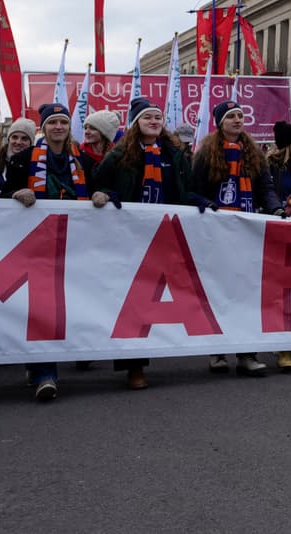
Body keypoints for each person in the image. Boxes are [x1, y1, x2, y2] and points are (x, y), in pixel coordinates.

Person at [91, 98, 197, 390]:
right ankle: (134, 366)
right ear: (136, 123)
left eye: (157, 117)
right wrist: (107, 194)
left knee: (165, 294)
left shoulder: (174, 154)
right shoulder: (120, 154)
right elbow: (98, 183)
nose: (154, 121)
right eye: (147, 117)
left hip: (165, 233)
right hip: (130, 235)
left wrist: (200, 202)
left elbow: (185, 190)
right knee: (133, 298)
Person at [0, 102, 98, 400]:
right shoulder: (23, 159)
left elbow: (101, 187)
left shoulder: (83, 160)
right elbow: (2, 194)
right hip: (35, 244)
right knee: (42, 306)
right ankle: (45, 373)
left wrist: (101, 194)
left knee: (70, 303)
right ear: (43, 128)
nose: (58, 127)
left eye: (63, 122)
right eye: (53, 122)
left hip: (74, 244)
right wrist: (16, 194)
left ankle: (44, 361)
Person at [192, 99, 282, 378]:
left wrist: (275, 208)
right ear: (220, 123)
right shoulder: (207, 154)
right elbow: (195, 190)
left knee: (247, 292)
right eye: (231, 116)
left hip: (246, 229)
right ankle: (217, 351)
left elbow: (265, 188)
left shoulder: (254, 154)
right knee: (218, 291)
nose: (238, 120)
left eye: (241, 115)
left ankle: (247, 354)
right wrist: (208, 205)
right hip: (217, 231)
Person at [0, 117, 37, 191]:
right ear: (9, 139)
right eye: (14, 137)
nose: (18, 142)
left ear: (31, 143)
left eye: (24, 139)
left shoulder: (37, 165)